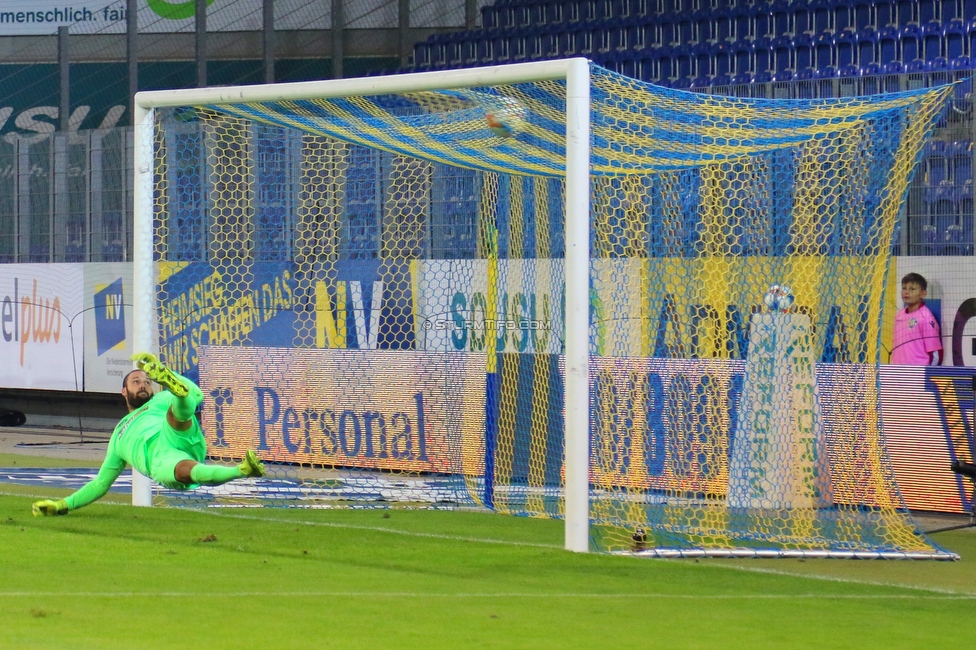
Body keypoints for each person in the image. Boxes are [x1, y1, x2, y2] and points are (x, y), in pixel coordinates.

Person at [32, 353, 265, 516]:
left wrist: (168, 374)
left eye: (147, 381)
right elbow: (100, 484)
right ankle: (242, 470)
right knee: (184, 471)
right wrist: (62, 505)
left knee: (180, 405)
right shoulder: (117, 435)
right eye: (136, 382)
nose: (142, 384)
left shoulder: (160, 400)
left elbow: (198, 395)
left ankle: (174, 387)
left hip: (172, 432)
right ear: (124, 391)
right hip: (160, 459)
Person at [890, 272, 942, 366]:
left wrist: (927, 376)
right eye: (904, 288)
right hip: (896, 374)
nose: (906, 292)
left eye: (912, 289)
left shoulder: (926, 318)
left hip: (917, 376)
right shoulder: (899, 315)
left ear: (923, 293)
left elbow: (935, 355)